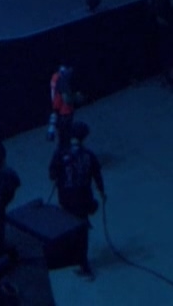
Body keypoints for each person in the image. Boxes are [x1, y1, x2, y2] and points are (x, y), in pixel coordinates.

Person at [48, 121, 106, 279]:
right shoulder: (89, 155)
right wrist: (102, 192)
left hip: (66, 199)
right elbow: (97, 175)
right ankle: (82, 261)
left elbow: (52, 174)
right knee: (82, 231)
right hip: (84, 199)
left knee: (69, 228)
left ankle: (74, 259)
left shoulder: (61, 153)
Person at [49, 64, 79, 144]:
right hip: (64, 111)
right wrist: (76, 98)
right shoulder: (61, 80)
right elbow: (65, 98)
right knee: (66, 135)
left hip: (59, 108)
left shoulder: (55, 78)